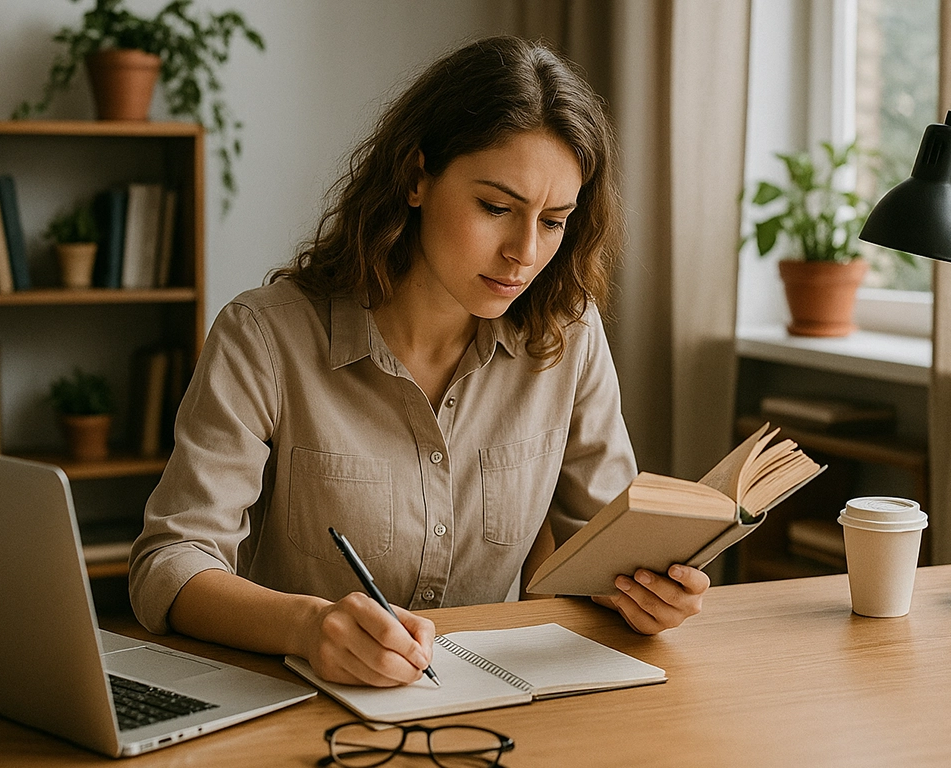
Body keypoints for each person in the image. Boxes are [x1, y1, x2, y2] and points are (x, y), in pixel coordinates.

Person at [129, 35, 709, 689]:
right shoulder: (265, 337)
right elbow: (170, 563)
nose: (524, 250)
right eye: (496, 208)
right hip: (303, 704)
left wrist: (646, 594)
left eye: (554, 221)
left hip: (495, 704)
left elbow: (604, 548)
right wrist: (309, 626)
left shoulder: (568, 334)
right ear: (414, 178)